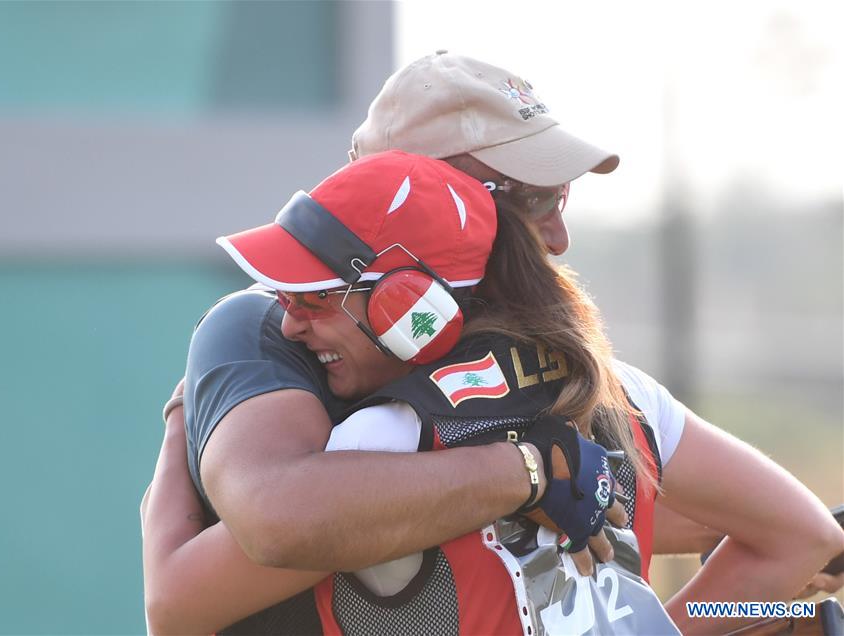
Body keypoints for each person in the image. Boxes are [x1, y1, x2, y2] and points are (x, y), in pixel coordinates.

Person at [141, 53, 844, 634]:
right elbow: (272, 526)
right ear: (434, 195)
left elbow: (181, 598)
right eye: (531, 199)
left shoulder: (407, 423)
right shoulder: (607, 389)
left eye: (557, 198)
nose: (558, 236)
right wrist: (528, 475)